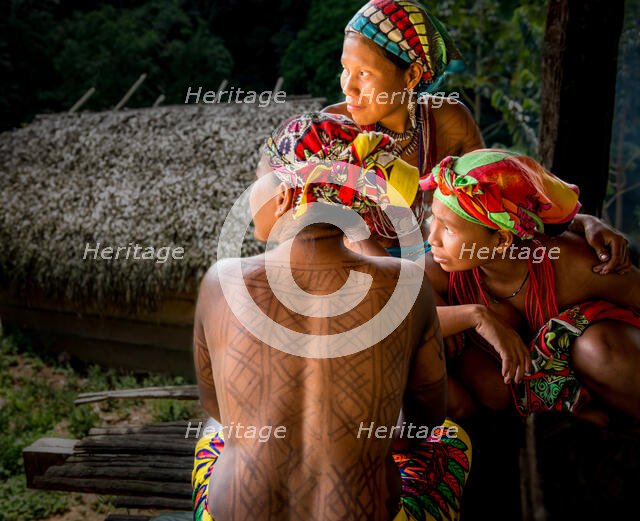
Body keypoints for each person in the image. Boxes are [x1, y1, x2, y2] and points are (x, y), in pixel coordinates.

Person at [191, 112, 471, 521]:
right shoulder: (407, 286)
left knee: (213, 433)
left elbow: (216, 405)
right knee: (452, 438)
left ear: (286, 196)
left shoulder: (221, 282)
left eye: (258, 180)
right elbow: (425, 419)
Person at [323, 0, 631, 274]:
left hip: (443, 266)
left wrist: (585, 222)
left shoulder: (449, 120)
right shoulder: (332, 130)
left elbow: (496, 203)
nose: (348, 86)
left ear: (412, 75)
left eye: (364, 73)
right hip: (365, 272)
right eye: (345, 69)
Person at [421, 149, 640, 423]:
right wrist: (474, 316)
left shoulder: (574, 264)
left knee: (596, 349)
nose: (433, 239)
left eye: (449, 229)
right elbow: (386, 308)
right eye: (434, 219)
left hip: (612, 374)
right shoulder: (439, 269)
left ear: (501, 240)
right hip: (556, 405)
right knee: (490, 386)